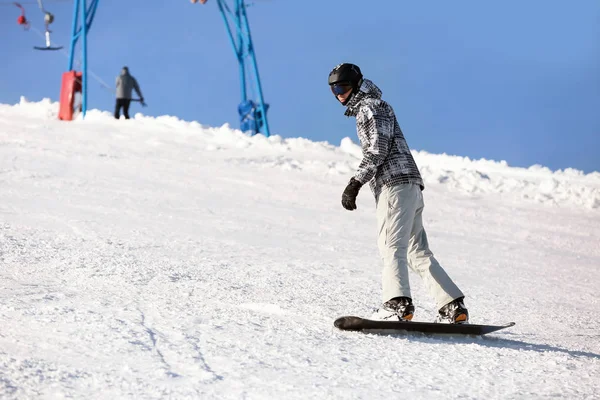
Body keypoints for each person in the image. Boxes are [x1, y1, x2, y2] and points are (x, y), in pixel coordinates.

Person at [328, 63, 469, 324]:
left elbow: (377, 149)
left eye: (343, 87)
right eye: (334, 88)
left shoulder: (369, 107)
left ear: (357, 84)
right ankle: (452, 305)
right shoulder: (375, 106)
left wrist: (355, 183)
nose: (339, 93)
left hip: (394, 184)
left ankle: (397, 304)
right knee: (416, 251)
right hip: (408, 185)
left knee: (390, 245)